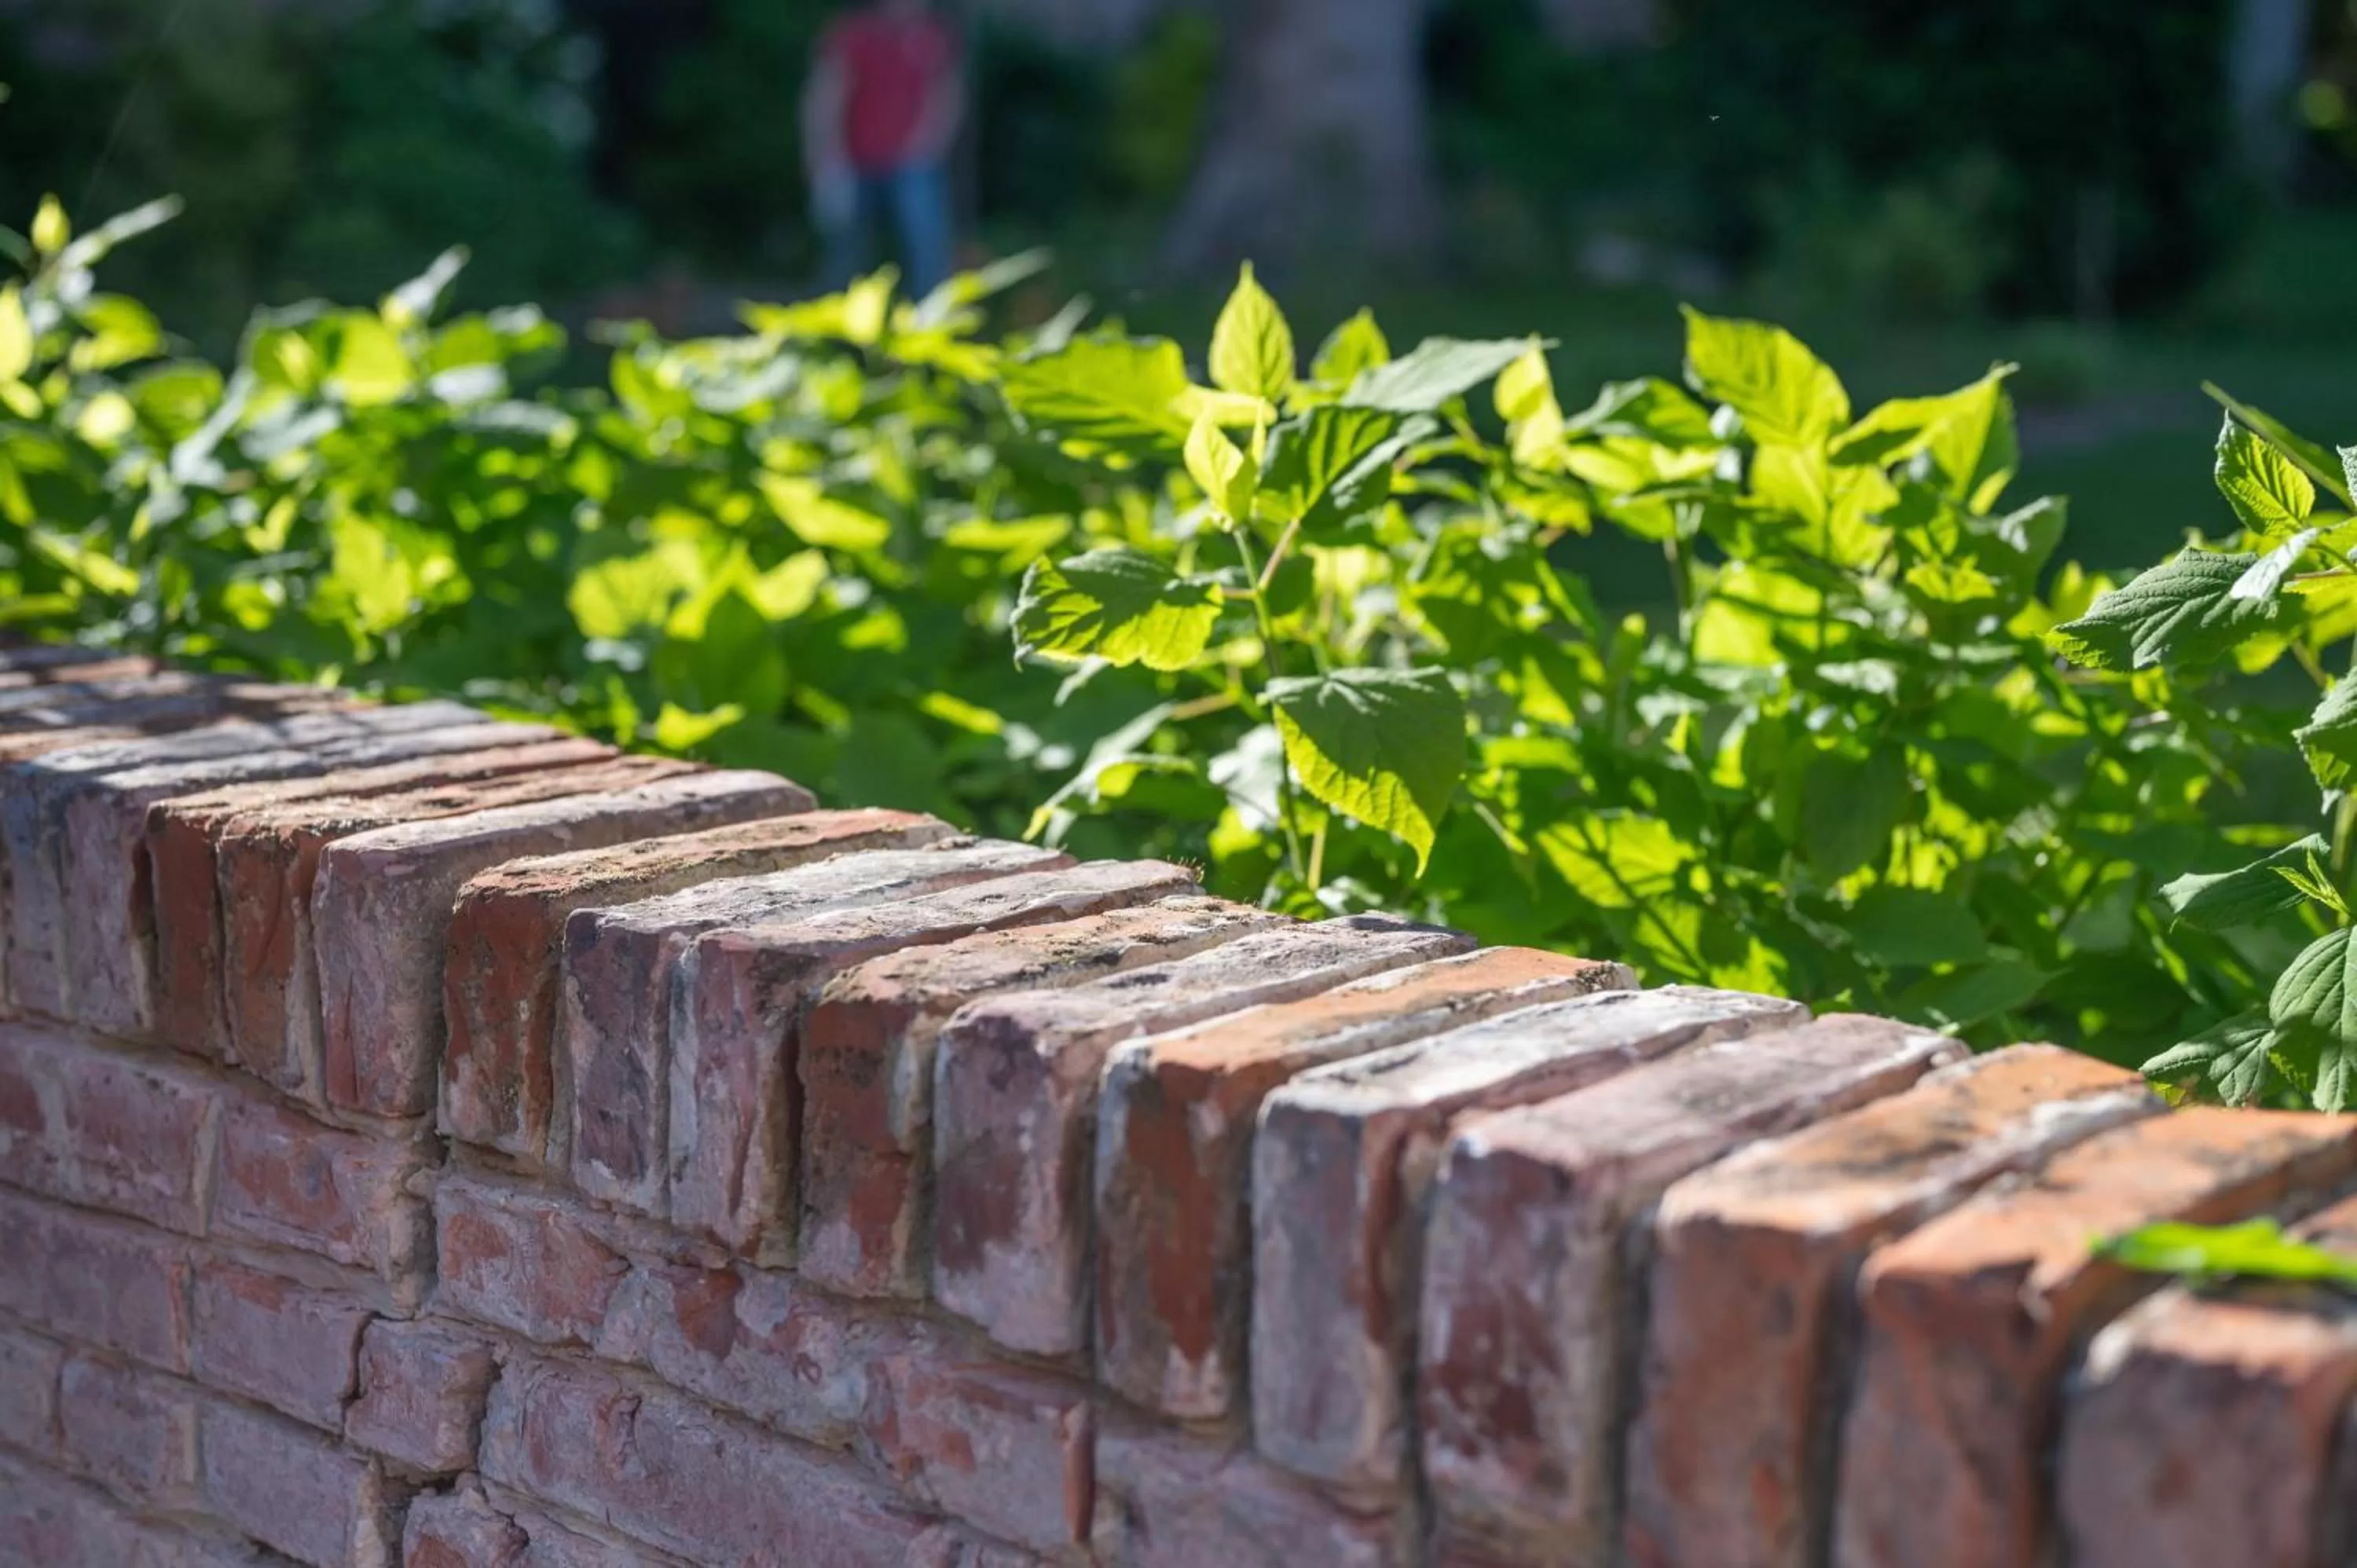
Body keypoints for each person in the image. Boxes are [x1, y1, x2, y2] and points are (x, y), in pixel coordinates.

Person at [801, 1, 965, 297]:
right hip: (854, 162)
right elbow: (826, 95)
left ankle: (928, 326)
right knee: (846, 253)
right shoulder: (853, 33)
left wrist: (929, 144)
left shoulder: (933, 36)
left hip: (913, 164)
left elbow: (947, 94)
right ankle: (839, 334)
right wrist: (825, 156)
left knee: (927, 248)